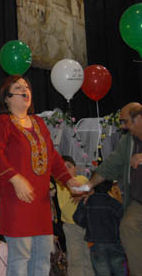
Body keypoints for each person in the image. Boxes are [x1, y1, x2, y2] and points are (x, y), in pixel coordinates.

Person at [0, 75, 80, 276]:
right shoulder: (1, 123)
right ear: (7, 97)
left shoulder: (38, 122)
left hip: (41, 204)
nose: (25, 90)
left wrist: (68, 180)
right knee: (20, 261)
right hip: (16, 201)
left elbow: (52, 156)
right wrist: (16, 178)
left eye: (27, 87)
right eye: (18, 88)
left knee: (42, 261)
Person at [86, 102, 142, 275]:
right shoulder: (127, 141)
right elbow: (109, 166)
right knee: (128, 226)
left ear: (139, 119)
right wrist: (88, 186)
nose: (124, 127)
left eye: (126, 122)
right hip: (138, 202)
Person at [73, 180, 126, 276]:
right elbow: (122, 219)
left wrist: (88, 224)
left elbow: (77, 219)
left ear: (93, 186)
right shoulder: (114, 203)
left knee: (101, 270)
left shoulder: (87, 202)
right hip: (114, 241)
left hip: (95, 242)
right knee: (119, 268)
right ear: (110, 187)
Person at [56, 155, 93, 275]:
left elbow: (92, 191)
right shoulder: (59, 183)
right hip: (70, 226)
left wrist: (82, 195)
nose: (67, 170)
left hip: (87, 225)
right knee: (74, 258)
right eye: (63, 168)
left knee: (89, 256)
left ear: (75, 168)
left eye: (69, 167)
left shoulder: (82, 179)